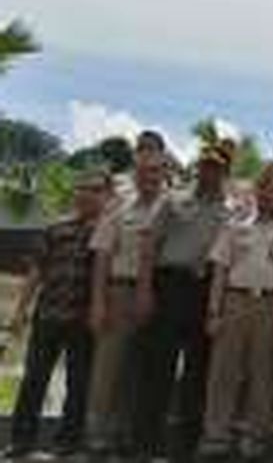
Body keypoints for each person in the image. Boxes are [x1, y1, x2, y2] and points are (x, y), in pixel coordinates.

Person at [133, 142, 233, 459]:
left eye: (216, 168)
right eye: (205, 166)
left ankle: (185, 447)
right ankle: (145, 444)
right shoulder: (172, 200)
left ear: (225, 173)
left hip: (204, 291)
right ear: (197, 168)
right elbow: (149, 246)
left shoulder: (231, 210)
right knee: (157, 368)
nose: (209, 172)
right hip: (168, 286)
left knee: (197, 372)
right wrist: (145, 290)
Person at [4, 170, 110, 459]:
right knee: (33, 380)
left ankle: (67, 442)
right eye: (81, 188)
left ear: (106, 195)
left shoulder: (109, 232)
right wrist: (20, 311)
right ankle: (20, 440)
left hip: (83, 319)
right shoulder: (55, 228)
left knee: (79, 384)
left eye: (94, 189)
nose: (86, 194)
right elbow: (36, 271)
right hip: (48, 314)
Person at [200, 164, 273, 460]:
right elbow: (220, 269)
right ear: (257, 190)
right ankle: (216, 436)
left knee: (263, 374)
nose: (271, 194)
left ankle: (255, 439)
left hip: (272, 304)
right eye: (266, 187)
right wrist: (214, 311)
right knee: (223, 372)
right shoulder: (236, 226)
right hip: (235, 300)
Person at [86, 150, 168, 458]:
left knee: (139, 370)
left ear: (165, 174)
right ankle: (97, 436)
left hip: (158, 297)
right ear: (135, 174)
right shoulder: (118, 208)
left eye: (156, 171)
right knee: (108, 367)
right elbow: (103, 255)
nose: (150, 177)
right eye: (144, 171)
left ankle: (124, 433)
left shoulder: (171, 207)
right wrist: (98, 302)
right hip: (120, 292)